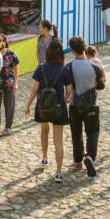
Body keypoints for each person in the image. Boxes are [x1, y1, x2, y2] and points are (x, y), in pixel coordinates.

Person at [25, 39, 70, 182]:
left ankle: (44, 157)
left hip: (43, 105)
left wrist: (28, 105)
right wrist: (64, 101)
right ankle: (58, 172)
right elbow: (69, 91)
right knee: (59, 140)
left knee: (44, 130)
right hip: (58, 107)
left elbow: (34, 90)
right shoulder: (65, 69)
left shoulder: (41, 68)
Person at [65, 37, 102, 177]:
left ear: (73, 50)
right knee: (92, 133)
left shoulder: (69, 66)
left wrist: (64, 100)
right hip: (92, 104)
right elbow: (101, 85)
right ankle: (90, 157)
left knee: (77, 134)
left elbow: (68, 89)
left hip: (75, 105)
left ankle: (78, 160)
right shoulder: (95, 66)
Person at [0, 34, 20, 136]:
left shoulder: (11, 54)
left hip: (9, 83)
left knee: (9, 105)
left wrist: (16, 83)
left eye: (0, 41)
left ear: (4, 42)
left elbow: (16, 68)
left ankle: (8, 127)